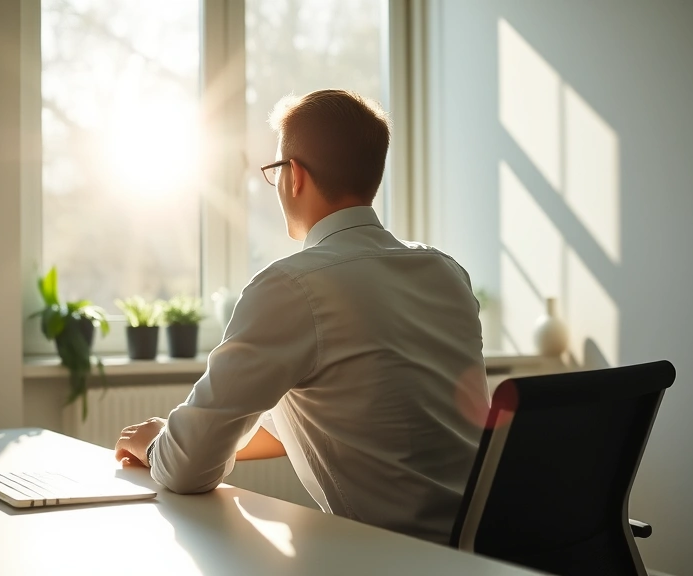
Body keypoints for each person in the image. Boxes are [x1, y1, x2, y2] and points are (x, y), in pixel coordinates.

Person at [115, 89, 488, 545]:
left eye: (274, 171)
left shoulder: (292, 286)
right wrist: (197, 439)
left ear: (294, 177)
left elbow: (186, 471)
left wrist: (158, 446)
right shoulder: (445, 272)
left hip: (394, 560)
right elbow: (345, 415)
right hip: (483, 551)